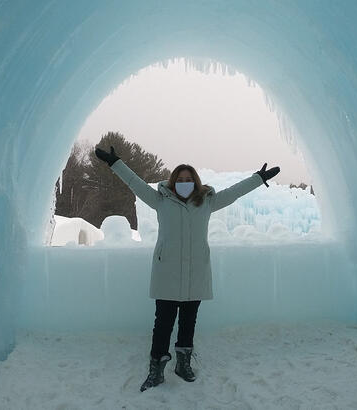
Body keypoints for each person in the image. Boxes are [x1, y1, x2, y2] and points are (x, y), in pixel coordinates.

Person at [94, 146, 280, 392]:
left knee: (188, 322)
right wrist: (115, 162)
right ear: (173, 182)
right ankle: (156, 370)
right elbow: (135, 183)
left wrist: (258, 178)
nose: (184, 183)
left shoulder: (207, 202)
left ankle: (183, 365)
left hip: (195, 272)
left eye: (188, 180)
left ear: (195, 182)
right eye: (180, 180)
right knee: (163, 324)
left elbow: (234, 192)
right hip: (167, 272)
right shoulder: (160, 200)